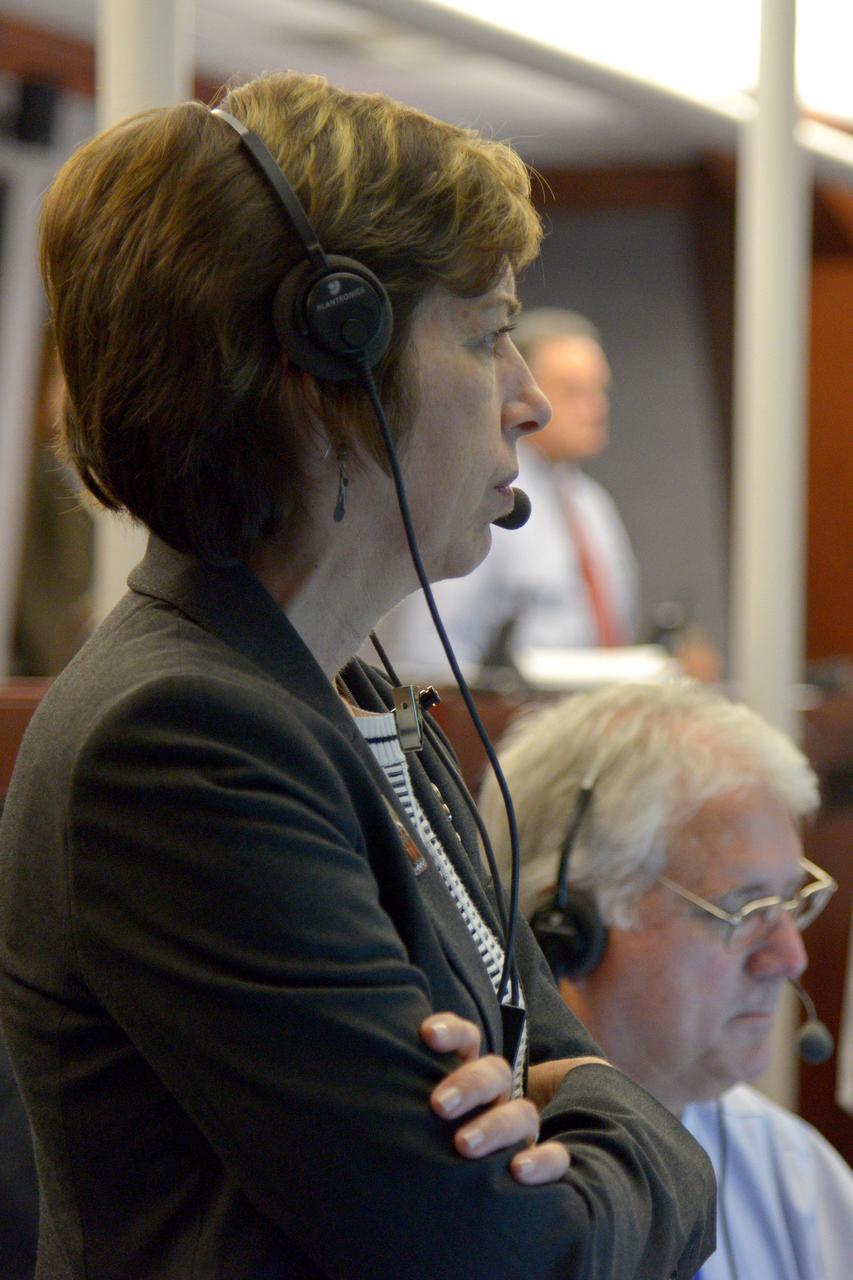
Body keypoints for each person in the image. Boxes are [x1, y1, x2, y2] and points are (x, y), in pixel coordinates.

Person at [0, 71, 714, 1279]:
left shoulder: (360, 697)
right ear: (329, 364)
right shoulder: (182, 740)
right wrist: (640, 1132)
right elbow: (496, 1249)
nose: (530, 399)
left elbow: (551, 1049)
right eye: (485, 333)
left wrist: (578, 1090)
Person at [479, 679, 853, 1279]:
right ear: (564, 930)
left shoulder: (791, 1173)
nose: (790, 957)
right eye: (743, 909)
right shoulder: (473, 1183)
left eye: (790, 901)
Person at [374, 308, 640, 679]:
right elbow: (427, 654)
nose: (596, 408)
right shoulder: (484, 497)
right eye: (573, 391)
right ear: (522, 392)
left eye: (600, 390)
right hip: (498, 711)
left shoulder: (593, 504)